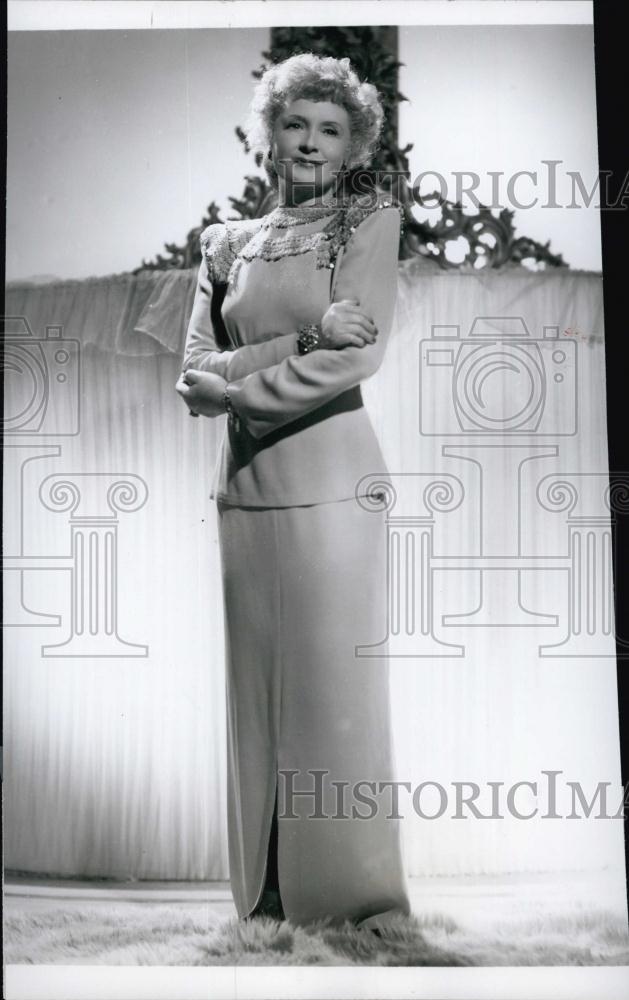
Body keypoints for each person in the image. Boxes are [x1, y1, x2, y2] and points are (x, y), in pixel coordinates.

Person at [176, 53, 410, 932]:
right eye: (294, 124)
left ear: (353, 146)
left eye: (330, 129)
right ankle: (267, 896)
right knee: (255, 699)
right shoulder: (223, 243)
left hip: (334, 489)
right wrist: (299, 336)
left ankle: (352, 901)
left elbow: (359, 356)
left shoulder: (367, 220)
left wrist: (235, 389)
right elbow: (191, 372)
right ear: (266, 136)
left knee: (332, 699)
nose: (309, 143)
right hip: (243, 491)